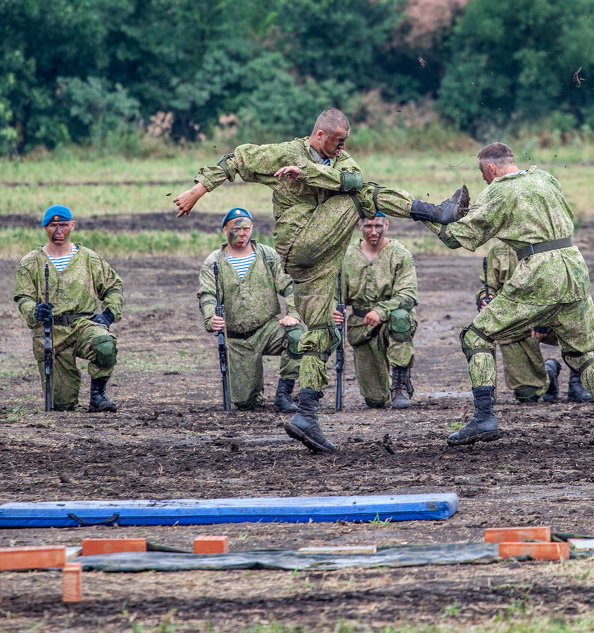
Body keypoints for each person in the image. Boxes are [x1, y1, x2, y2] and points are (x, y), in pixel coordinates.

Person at [173, 108, 469, 452]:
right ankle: (438, 215)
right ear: (319, 135)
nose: (342, 147)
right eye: (337, 141)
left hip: (321, 261)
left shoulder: (341, 160)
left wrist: (310, 173)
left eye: (346, 142)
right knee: (364, 199)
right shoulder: (284, 153)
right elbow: (237, 160)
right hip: (299, 244)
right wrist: (198, 191)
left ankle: (307, 416)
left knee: (322, 333)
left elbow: (354, 179)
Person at [418, 141, 594, 446]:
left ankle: (484, 418)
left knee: (475, 337)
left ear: (491, 168)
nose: (482, 179)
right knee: (580, 355)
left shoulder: (498, 190)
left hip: (540, 271)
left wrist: (425, 214)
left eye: (482, 173)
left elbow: (458, 239)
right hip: (574, 267)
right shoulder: (546, 178)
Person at [14, 205, 122, 412]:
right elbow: (23, 297)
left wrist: (109, 314)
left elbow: (113, 287)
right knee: (61, 405)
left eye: (63, 225)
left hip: (83, 325)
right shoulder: (30, 262)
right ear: (44, 227)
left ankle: (98, 396)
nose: (58, 231)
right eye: (52, 225)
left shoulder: (90, 259)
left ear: (72, 225)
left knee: (105, 345)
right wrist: (34, 311)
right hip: (51, 332)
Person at [197, 207, 301, 411]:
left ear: (252, 228)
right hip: (237, 338)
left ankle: (283, 395)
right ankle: (254, 392)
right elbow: (207, 294)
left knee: (298, 338)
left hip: (268, 329)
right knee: (245, 403)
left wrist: (293, 314)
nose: (242, 233)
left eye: (246, 228)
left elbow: (290, 286)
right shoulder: (214, 262)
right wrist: (211, 319)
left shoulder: (268, 256)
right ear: (225, 230)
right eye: (236, 228)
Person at [476, 240, 593, 403]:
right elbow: (489, 287)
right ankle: (549, 373)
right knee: (527, 396)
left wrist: (542, 319)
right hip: (515, 326)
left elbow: (571, 288)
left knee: (581, 320)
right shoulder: (499, 251)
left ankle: (578, 383)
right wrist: (484, 299)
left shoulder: (553, 247)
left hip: (554, 318)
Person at [333, 213, 418, 409]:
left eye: (378, 226)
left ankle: (400, 384)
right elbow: (334, 294)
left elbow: (408, 295)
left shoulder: (400, 254)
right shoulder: (346, 256)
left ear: (387, 225)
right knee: (376, 401)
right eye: (368, 226)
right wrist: (332, 309)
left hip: (390, 318)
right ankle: (384, 390)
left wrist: (381, 310)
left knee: (401, 318)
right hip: (361, 325)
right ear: (359, 225)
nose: (373, 231)